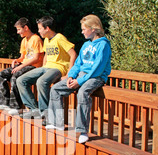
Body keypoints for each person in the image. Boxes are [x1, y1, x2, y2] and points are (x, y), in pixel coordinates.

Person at [46, 14, 112, 143]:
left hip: (96, 77)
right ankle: (56, 122)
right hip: (81, 75)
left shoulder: (103, 45)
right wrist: (71, 76)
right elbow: (77, 64)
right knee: (55, 89)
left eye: (84, 29)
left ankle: (83, 131)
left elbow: (97, 68)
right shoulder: (86, 45)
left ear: (93, 29)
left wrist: (79, 81)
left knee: (82, 93)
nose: (81, 32)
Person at [16, 16, 77, 120]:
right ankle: (34, 111)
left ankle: (46, 115)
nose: (39, 31)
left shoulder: (59, 38)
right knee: (21, 80)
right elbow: (46, 56)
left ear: (47, 28)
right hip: (46, 67)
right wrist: (43, 68)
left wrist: (68, 74)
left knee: (41, 82)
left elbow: (73, 54)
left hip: (58, 68)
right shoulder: (46, 40)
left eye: (40, 29)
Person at [0, 17, 44, 115]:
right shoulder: (24, 40)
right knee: (1, 75)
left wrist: (21, 66)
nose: (17, 32)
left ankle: (16, 107)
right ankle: (5, 103)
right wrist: (17, 61)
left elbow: (36, 58)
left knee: (15, 76)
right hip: (24, 64)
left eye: (19, 29)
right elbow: (23, 57)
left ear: (26, 28)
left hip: (34, 66)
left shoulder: (36, 39)